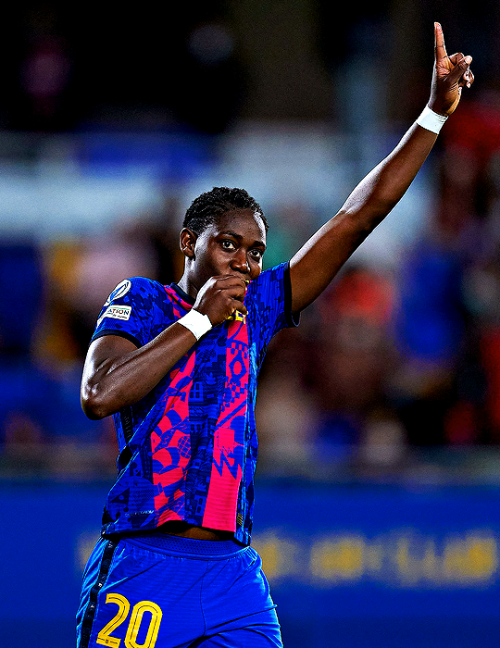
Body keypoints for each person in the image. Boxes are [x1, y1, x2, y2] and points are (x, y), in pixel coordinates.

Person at [76, 23, 473, 648]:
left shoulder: (259, 311)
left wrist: (432, 115)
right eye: (228, 244)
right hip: (144, 565)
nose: (244, 262)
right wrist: (199, 319)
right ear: (189, 245)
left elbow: (355, 217)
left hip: (233, 573)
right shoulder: (143, 301)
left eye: (256, 251)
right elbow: (99, 394)